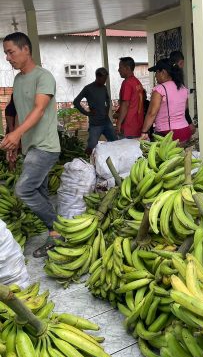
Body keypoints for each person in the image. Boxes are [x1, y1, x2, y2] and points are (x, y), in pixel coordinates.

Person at [0, 32, 61, 257]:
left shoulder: (43, 77)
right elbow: (15, 111)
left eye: (11, 52)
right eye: (6, 53)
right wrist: (14, 143)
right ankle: (55, 235)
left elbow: (39, 109)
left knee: (24, 189)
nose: (7, 57)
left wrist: (16, 135)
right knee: (41, 191)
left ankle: (58, 231)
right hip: (30, 146)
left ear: (25, 49)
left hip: (45, 146)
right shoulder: (18, 79)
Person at [140, 58, 191, 143]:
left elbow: (152, 113)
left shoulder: (160, 89)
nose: (155, 76)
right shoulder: (183, 88)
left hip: (168, 133)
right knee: (181, 156)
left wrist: (144, 131)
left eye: (156, 72)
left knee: (164, 156)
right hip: (185, 130)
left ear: (163, 72)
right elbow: (185, 107)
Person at [73, 67, 116, 155]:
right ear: (98, 77)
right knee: (91, 146)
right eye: (104, 79)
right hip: (95, 124)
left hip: (106, 122)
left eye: (106, 79)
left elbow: (107, 99)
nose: (105, 81)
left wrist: (107, 109)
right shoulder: (88, 88)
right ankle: (87, 162)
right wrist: (86, 113)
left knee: (115, 142)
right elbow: (76, 102)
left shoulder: (104, 88)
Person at [169, 50, 196, 135]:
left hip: (165, 126)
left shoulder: (164, 83)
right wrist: (190, 122)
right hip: (180, 126)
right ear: (181, 62)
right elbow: (184, 106)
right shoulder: (179, 82)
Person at [116, 57, 144, 138]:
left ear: (127, 68)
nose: (118, 70)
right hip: (137, 125)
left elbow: (125, 104)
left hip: (128, 126)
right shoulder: (137, 82)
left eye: (120, 67)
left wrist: (119, 123)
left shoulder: (127, 83)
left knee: (125, 150)